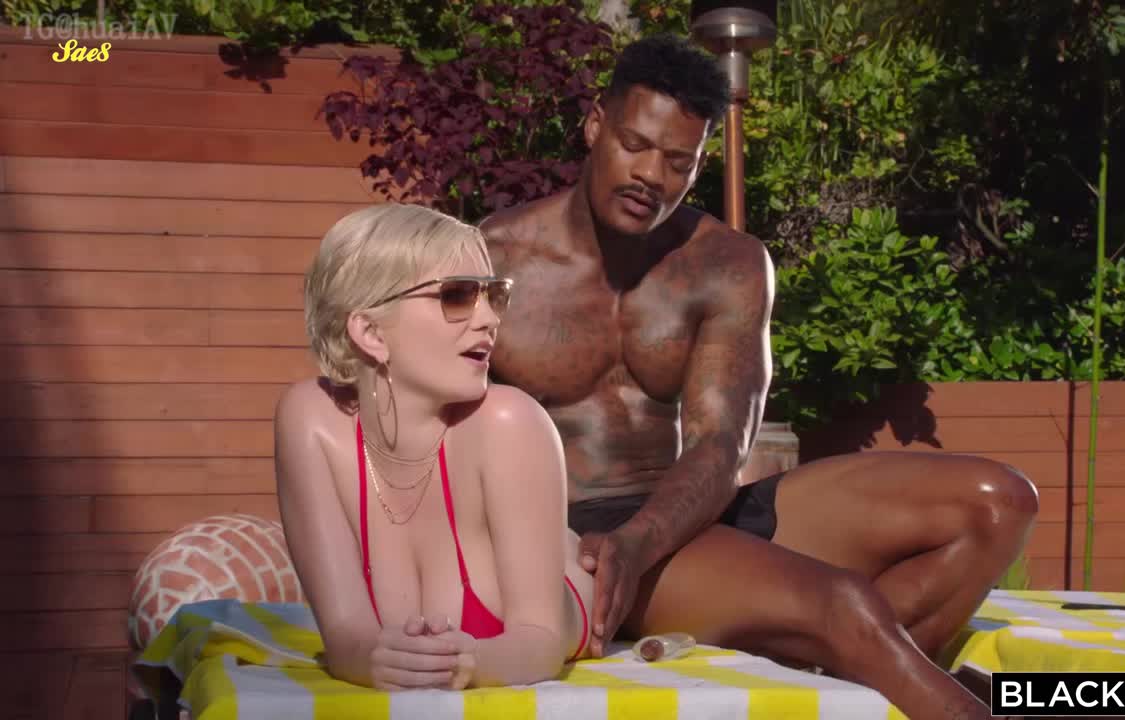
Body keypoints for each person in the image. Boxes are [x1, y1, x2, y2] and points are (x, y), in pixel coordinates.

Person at [479, 34, 1039, 719]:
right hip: (580, 534)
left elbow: (721, 444)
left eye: (678, 161)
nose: (651, 175)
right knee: (844, 603)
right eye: (634, 144)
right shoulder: (491, 262)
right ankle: (863, 654)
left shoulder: (726, 262)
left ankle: (847, 680)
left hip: (684, 512)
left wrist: (643, 538)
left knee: (998, 503)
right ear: (596, 124)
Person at [274, 204, 593, 691]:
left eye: (493, 294)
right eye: (457, 295)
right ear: (370, 332)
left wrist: (469, 664)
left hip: (583, 582)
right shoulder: (311, 422)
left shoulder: (509, 422)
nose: (489, 318)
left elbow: (542, 642)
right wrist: (370, 660)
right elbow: (346, 641)